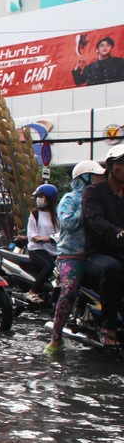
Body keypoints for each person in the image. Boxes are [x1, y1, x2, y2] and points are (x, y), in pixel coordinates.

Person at [45, 160, 105, 354]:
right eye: (97, 176)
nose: (101, 179)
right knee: (69, 291)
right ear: (85, 178)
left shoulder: (103, 198)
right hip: (71, 255)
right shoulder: (69, 199)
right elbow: (68, 223)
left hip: (97, 254)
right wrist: (86, 205)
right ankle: (56, 338)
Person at [82, 145, 124, 346]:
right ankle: (108, 325)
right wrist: (118, 232)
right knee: (112, 268)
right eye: (121, 163)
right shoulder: (93, 192)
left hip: (121, 251)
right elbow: (95, 220)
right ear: (110, 166)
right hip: (97, 254)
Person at [25, 184, 59, 304]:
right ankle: (32, 291)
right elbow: (31, 233)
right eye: (38, 197)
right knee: (50, 265)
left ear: (50, 199)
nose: (39, 199)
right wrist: (40, 239)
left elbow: (63, 231)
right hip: (37, 249)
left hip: (56, 250)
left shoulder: (59, 213)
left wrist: (52, 239)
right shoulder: (35, 213)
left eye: (41, 197)